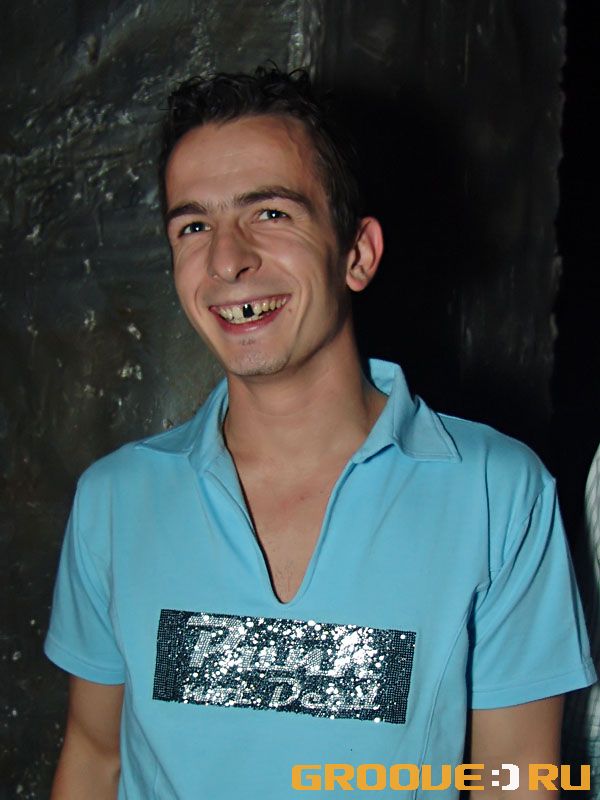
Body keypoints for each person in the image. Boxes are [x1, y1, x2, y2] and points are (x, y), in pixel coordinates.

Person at [45, 67, 595, 799]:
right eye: (193, 226)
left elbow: (519, 778)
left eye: (271, 212)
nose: (227, 259)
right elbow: (94, 757)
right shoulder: (115, 500)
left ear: (357, 255)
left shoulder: (497, 490)